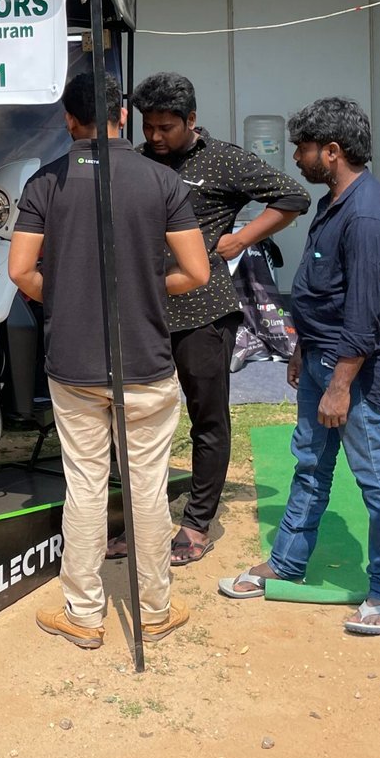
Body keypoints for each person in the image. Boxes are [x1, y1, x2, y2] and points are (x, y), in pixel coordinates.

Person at [9, 71, 210, 650]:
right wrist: (145, 289)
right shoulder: (162, 180)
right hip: (145, 361)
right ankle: (156, 609)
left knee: (86, 486)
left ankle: (83, 613)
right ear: (123, 114)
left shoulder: (45, 183)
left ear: (69, 120)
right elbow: (197, 272)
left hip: (73, 365)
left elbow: (20, 270)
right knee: (147, 488)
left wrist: (65, 296)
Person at [217, 97, 380, 634]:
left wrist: (340, 385)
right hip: (321, 359)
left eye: (302, 149)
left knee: (376, 481)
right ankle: (287, 563)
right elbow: (320, 290)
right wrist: (302, 351)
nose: (296, 159)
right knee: (310, 464)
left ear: (332, 151)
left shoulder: (367, 215)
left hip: (354, 370)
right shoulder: (333, 202)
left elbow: (365, 313)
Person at [118, 72, 309, 565]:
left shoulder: (222, 160)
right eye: (148, 126)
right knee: (139, 420)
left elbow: (293, 196)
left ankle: (196, 522)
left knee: (207, 418)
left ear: (191, 120)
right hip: (144, 312)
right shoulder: (137, 161)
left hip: (204, 313)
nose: (155, 136)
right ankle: (141, 520)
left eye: (165, 127)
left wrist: (242, 238)